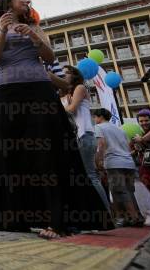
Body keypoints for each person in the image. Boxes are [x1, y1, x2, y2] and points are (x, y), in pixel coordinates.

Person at [0, 0, 113, 238]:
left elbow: (50, 56)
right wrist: (4, 31)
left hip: (39, 90)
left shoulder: (35, 26)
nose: (27, 0)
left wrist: (33, 36)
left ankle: (57, 219)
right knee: (12, 153)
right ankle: (15, 218)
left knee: (47, 150)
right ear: (9, 0)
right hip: (8, 93)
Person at [63, 65, 110, 210]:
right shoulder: (67, 94)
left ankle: (106, 213)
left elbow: (72, 109)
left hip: (84, 136)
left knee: (90, 175)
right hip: (75, 138)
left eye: (66, 73)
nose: (63, 75)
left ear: (74, 75)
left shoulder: (80, 88)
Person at [93, 109, 144, 227]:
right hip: (128, 162)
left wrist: (98, 161)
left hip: (114, 162)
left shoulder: (99, 127)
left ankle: (134, 218)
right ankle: (133, 217)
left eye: (95, 117)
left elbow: (100, 145)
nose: (94, 120)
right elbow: (128, 146)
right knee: (129, 191)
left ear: (99, 117)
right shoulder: (119, 129)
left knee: (120, 191)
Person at [133, 109, 150, 202]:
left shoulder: (149, 134)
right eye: (141, 121)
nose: (144, 123)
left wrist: (142, 140)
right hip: (148, 169)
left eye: (146, 120)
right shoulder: (141, 135)